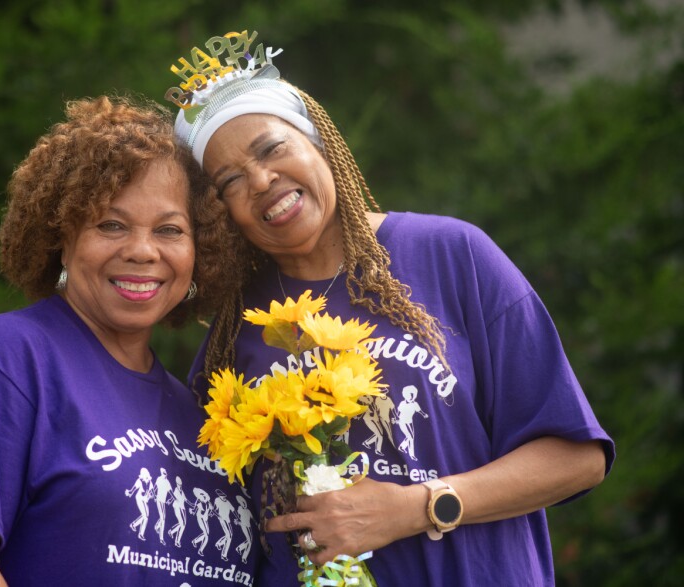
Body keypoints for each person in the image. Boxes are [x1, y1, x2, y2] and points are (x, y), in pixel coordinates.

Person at [170, 31, 615, 585]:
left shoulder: (453, 255)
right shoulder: (236, 329)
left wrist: (416, 508)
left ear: (320, 144)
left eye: (271, 148)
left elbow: (578, 459)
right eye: (230, 181)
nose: (261, 180)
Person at [0, 95, 257, 586]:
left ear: (201, 251)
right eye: (111, 225)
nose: (142, 251)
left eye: (169, 230)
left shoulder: (199, 414)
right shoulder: (9, 358)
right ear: (62, 239)